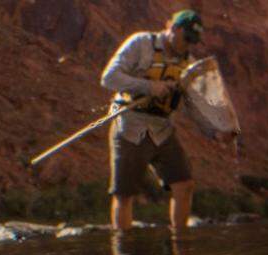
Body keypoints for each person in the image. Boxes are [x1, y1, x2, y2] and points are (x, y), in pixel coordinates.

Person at [100, 9, 233, 231]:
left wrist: (216, 132)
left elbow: (195, 106)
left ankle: (179, 245)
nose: (187, 45)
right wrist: (149, 87)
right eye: (185, 38)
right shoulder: (140, 43)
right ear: (173, 28)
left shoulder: (189, 64)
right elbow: (109, 78)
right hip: (130, 123)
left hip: (162, 128)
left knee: (184, 184)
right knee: (125, 193)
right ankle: (123, 252)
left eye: (192, 41)